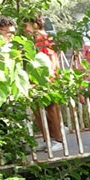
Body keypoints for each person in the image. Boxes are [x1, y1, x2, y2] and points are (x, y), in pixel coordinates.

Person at [25, 16, 64, 152]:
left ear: (35, 25)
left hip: (47, 80)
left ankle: (58, 139)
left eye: (27, 26)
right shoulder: (32, 41)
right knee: (38, 110)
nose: (25, 29)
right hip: (36, 80)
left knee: (51, 109)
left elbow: (52, 58)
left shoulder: (44, 38)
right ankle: (48, 139)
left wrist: (50, 76)